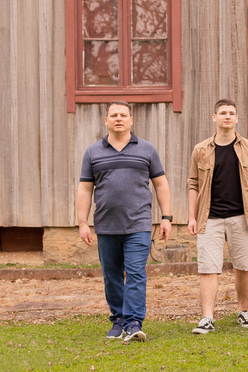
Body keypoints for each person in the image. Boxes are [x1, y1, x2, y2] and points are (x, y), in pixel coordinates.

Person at [77, 101, 172, 343]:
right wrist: (82, 222)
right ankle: (118, 319)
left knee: (136, 273)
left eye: (123, 115)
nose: (118, 118)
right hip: (106, 225)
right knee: (111, 275)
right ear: (106, 121)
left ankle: (133, 322)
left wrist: (166, 217)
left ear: (131, 120)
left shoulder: (147, 150)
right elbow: (85, 189)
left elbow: (161, 184)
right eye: (114, 115)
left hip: (138, 225)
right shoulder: (93, 152)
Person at [187, 98, 248, 333]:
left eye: (231, 113)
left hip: (241, 217)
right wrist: (192, 217)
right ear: (214, 118)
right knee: (208, 268)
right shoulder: (201, 149)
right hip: (209, 218)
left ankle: (244, 312)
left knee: (243, 266)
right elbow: (193, 184)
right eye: (223, 113)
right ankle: (207, 318)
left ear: (237, 118)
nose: (227, 116)